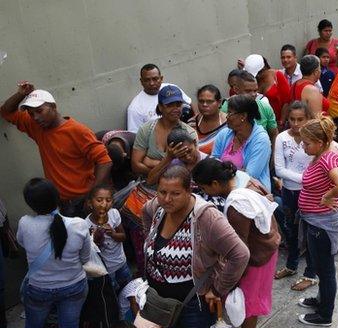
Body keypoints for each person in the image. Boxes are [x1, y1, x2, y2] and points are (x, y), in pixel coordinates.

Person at [142, 166, 250, 328]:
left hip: (193, 309)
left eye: (175, 193)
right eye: (162, 192)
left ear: (188, 191)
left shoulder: (207, 217)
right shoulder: (157, 207)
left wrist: (217, 290)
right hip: (161, 305)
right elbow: (145, 211)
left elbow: (240, 254)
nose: (167, 199)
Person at [193, 159, 280, 328]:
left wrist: (222, 283)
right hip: (267, 249)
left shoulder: (235, 207)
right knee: (253, 298)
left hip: (256, 259)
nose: (204, 193)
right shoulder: (248, 182)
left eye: (204, 188)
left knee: (248, 303)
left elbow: (239, 250)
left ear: (215, 184)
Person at [0, 83, 112, 218]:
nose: (35, 117)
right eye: (31, 113)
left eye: (40, 111)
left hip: (81, 201)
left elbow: (105, 161)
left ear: (53, 107)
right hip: (59, 203)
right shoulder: (37, 126)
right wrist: (21, 94)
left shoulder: (77, 131)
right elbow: (6, 111)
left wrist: (92, 197)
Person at [272, 102, 338, 288]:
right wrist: (306, 178)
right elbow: (280, 169)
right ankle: (291, 265)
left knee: (312, 240)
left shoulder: (317, 141)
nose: (296, 123)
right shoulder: (283, 138)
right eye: (292, 119)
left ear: (308, 121)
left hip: (312, 197)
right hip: (291, 192)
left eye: (300, 119)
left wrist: (323, 187)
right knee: (292, 231)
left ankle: (310, 274)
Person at [18, 178, 91, 328]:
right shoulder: (79, 224)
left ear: (30, 203)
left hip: (38, 290)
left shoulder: (25, 223)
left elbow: (23, 244)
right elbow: (85, 258)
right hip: (73, 287)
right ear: (57, 197)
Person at [296, 118, 338, 327]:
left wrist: (329, 196)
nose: (303, 146)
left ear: (320, 142)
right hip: (316, 222)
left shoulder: (328, 159)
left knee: (326, 271)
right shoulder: (322, 155)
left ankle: (325, 314)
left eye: (307, 143)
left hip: (323, 226)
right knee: (321, 267)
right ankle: (320, 300)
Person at [131, 85, 198, 177]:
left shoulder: (189, 133)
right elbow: (136, 165)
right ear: (160, 107)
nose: (175, 109)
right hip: (147, 184)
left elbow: (191, 166)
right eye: (170, 105)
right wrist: (167, 167)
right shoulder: (146, 130)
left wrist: (151, 162)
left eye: (178, 105)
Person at [212, 94, 272, 191]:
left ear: (243, 116)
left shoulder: (261, 140)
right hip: (223, 190)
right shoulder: (223, 134)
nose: (226, 117)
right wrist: (238, 171)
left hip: (251, 191)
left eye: (230, 113)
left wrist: (222, 171)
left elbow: (250, 175)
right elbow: (213, 163)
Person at [85, 185, 131, 290]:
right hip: (106, 269)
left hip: (121, 262)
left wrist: (113, 234)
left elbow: (123, 236)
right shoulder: (86, 225)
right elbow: (90, 254)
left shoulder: (114, 214)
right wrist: (96, 240)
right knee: (112, 291)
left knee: (128, 288)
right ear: (90, 203)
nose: (104, 204)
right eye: (99, 200)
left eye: (108, 200)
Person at [126, 64, 192, 133]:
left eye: (155, 79)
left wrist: (195, 122)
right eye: (147, 80)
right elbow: (134, 135)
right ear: (141, 81)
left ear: (161, 79)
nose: (151, 83)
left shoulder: (171, 89)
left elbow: (190, 103)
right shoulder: (135, 108)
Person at [220, 71, 278, 143]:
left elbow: (273, 134)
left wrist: (273, 154)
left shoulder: (265, 106)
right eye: (248, 91)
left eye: (255, 90)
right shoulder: (226, 108)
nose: (253, 94)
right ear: (236, 90)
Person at [243, 54, 291, 127]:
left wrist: (282, 121)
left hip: (277, 121)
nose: (257, 76)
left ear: (264, 67)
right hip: (259, 123)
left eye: (259, 73)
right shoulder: (251, 80)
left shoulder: (277, 75)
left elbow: (287, 101)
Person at [186, 85, 227, 155]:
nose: (204, 105)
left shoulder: (228, 124)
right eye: (201, 101)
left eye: (209, 101)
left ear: (219, 103)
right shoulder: (191, 123)